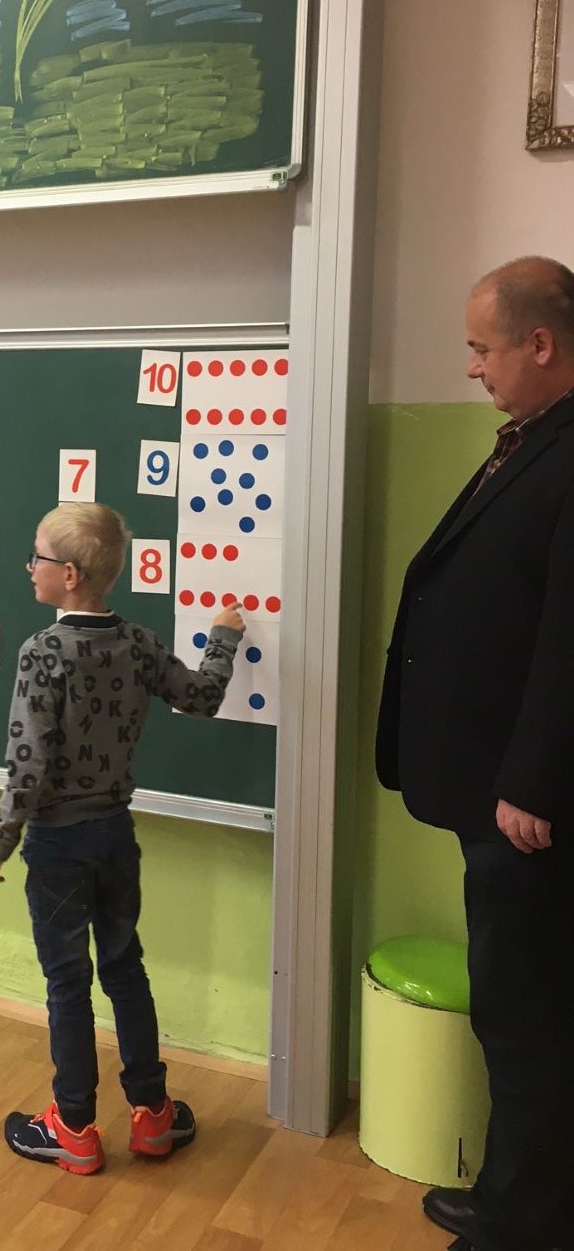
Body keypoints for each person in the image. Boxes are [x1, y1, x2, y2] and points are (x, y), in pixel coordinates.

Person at [376, 256, 574, 1251]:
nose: (469, 368)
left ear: (539, 343)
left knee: (525, 1013)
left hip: (524, 804)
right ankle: (514, 1194)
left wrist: (533, 781)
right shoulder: (534, 439)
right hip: (493, 786)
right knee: (512, 1002)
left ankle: (519, 1225)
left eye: (479, 348)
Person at [0, 501, 244, 1174]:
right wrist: (222, 638)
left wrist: (0, 840)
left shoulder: (42, 652)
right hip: (115, 836)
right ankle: (153, 1116)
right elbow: (202, 696)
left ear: (69, 575)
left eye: (37, 557)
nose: (29, 568)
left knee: (68, 983)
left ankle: (73, 1126)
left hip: (57, 844)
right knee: (125, 969)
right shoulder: (138, 643)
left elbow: (28, 764)